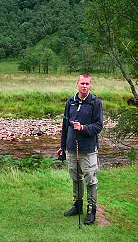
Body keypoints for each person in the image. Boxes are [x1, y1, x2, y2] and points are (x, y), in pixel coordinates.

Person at [57, 74, 103, 225]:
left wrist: (82, 128)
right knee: (75, 178)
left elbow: (98, 126)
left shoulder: (96, 102)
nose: (84, 86)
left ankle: (91, 210)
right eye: (82, 83)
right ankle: (77, 205)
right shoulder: (70, 102)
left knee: (90, 180)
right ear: (77, 84)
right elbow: (65, 126)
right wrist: (62, 147)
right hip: (71, 148)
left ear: (90, 85)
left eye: (87, 83)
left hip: (88, 149)